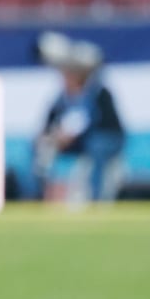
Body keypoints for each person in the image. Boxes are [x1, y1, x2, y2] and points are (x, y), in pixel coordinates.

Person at [33, 32, 126, 205]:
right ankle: (38, 195)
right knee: (40, 149)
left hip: (102, 139)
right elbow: (52, 124)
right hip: (78, 141)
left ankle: (96, 199)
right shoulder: (62, 99)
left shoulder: (98, 94)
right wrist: (48, 138)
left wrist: (67, 136)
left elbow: (90, 122)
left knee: (97, 147)